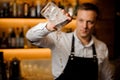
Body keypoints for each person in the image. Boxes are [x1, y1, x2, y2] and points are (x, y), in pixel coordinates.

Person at [26, 2, 113, 80]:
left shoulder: (101, 47)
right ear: (76, 19)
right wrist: (50, 26)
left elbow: (107, 77)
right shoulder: (60, 40)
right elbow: (30, 37)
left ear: (96, 23)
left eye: (90, 22)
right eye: (81, 20)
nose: (85, 26)